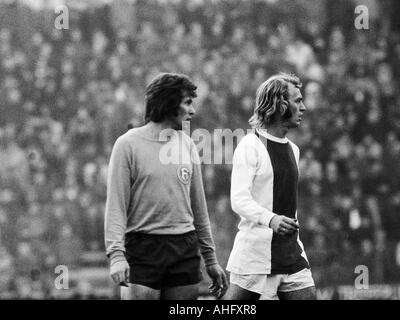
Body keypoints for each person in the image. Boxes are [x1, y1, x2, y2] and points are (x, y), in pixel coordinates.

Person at [104, 72, 228, 300]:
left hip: (184, 247)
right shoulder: (127, 145)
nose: (193, 111)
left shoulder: (188, 145)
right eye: (187, 102)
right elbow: (116, 207)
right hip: (142, 247)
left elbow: (198, 209)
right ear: (169, 103)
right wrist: (116, 256)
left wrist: (210, 259)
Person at [225, 73, 316, 300]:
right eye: (298, 101)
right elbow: (239, 199)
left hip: (291, 252)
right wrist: (271, 219)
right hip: (255, 255)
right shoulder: (250, 146)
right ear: (280, 104)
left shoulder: (293, 150)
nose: (303, 107)